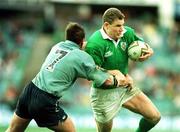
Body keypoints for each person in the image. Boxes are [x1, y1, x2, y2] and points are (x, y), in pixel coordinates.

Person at [6, 22, 129, 132]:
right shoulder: (81, 57)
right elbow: (105, 80)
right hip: (45, 99)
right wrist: (120, 82)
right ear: (81, 41)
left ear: (67, 37)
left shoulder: (58, 46)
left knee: (13, 130)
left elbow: (74, 51)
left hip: (29, 91)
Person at [85, 7, 161, 132]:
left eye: (123, 25)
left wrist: (148, 51)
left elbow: (142, 46)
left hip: (125, 88)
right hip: (103, 94)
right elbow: (92, 73)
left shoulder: (127, 33)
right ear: (106, 25)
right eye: (118, 25)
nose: (122, 29)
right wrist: (116, 75)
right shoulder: (94, 43)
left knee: (154, 117)